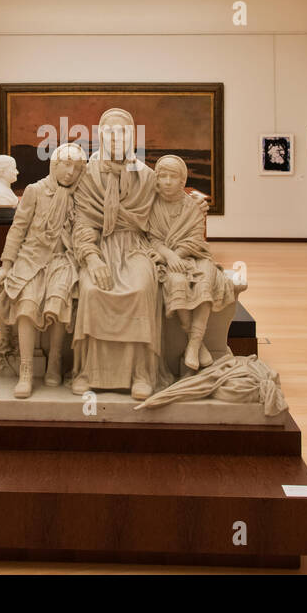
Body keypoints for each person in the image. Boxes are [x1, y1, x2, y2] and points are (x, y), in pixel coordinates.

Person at [70, 108, 161, 400]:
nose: (116, 137)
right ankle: (89, 372)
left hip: (135, 246)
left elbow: (161, 213)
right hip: (100, 246)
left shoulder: (146, 176)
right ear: (100, 136)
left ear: (132, 135)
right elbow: (84, 222)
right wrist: (92, 258)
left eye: (122, 131)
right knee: (92, 289)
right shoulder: (87, 175)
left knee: (139, 288)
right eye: (109, 131)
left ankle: (140, 373)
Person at [0, 143, 86, 397]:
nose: (70, 172)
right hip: (31, 258)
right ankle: (26, 370)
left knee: (59, 300)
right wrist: (7, 266)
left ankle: (54, 363)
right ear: (55, 165)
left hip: (64, 259)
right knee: (26, 305)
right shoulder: (35, 190)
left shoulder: (81, 195)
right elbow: (18, 229)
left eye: (76, 168)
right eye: (66, 165)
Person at [147, 155, 236, 372]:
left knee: (204, 281)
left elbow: (196, 238)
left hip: (195, 256)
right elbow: (152, 238)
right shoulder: (151, 206)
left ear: (182, 180)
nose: (167, 181)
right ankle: (195, 340)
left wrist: (179, 254)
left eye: (173, 177)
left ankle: (194, 345)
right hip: (168, 259)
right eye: (163, 176)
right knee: (176, 282)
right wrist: (170, 256)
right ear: (156, 179)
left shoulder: (192, 205)